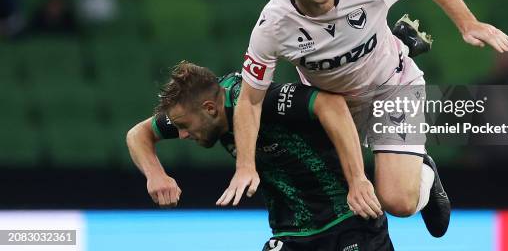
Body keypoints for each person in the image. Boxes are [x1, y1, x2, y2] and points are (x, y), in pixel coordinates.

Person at [219, 0, 508, 238]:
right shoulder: (273, 26)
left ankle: (424, 173)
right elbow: (250, 100)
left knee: (397, 202)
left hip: (393, 85)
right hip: (336, 109)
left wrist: (467, 23)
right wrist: (245, 165)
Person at [126, 61, 395, 250]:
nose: (182, 135)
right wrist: (156, 175)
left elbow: (330, 103)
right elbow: (138, 134)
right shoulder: (201, 110)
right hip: (290, 235)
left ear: (210, 109)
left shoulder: (257, 99)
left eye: (184, 126)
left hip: (349, 221)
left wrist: (358, 179)